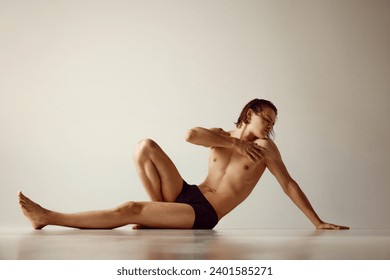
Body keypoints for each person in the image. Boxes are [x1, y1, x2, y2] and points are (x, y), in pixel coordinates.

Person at [18, 98, 349, 230]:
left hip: (205, 212)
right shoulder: (221, 135)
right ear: (250, 114)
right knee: (144, 146)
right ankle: (158, 215)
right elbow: (190, 135)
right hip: (188, 193)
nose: (270, 126)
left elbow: (288, 184)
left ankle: (46, 216)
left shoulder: (265, 149)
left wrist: (317, 222)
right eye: (266, 118)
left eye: (273, 122)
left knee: (130, 208)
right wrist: (232, 141)